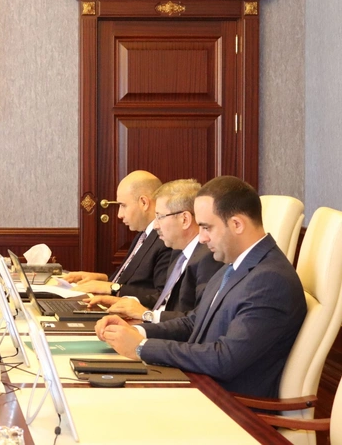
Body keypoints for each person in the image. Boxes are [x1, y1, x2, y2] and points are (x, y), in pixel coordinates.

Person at [95, 176, 307, 397]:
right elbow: (195, 322)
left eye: (207, 227)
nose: (202, 238)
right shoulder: (235, 264)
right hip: (199, 384)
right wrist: (136, 331)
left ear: (237, 224)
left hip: (228, 404)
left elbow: (224, 359)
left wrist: (142, 347)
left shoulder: (269, 280)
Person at [85, 179, 221, 322]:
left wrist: (146, 316)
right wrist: (126, 302)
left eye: (160, 217)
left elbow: (196, 321)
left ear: (184, 219)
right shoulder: (179, 252)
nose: (155, 226)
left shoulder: (207, 259)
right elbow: (165, 300)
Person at [66, 170, 172, 306]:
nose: (119, 215)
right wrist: (101, 279)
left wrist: (111, 287)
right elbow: (127, 279)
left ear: (144, 202)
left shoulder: (165, 240)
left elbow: (161, 297)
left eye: (123, 205)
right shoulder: (143, 235)